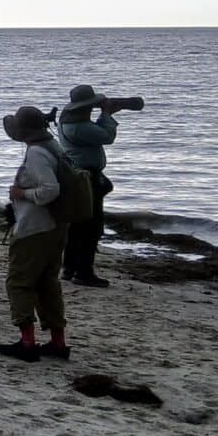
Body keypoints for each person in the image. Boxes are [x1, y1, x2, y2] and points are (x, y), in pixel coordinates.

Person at [0, 105, 70, 362]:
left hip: (34, 228)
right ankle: (58, 342)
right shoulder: (54, 147)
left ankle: (27, 342)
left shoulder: (37, 153)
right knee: (48, 283)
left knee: (19, 282)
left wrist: (21, 194)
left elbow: (50, 190)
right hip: (55, 226)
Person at [57, 85, 125, 289]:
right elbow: (107, 136)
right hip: (87, 177)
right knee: (91, 226)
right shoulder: (79, 127)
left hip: (77, 176)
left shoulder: (68, 122)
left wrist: (105, 114)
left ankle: (70, 268)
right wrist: (106, 114)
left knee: (77, 224)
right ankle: (84, 272)